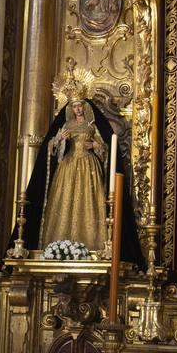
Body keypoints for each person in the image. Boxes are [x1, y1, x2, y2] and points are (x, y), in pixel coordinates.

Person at [39, 99, 109, 253]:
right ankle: (59, 248)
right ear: (71, 108)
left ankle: (92, 246)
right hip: (69, 165)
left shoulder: (91, 126)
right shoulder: (67, 125)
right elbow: (52, 145)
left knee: (89, 201)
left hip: (88, 166)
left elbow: (104, 146)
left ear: (85, 107)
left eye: (80, 106)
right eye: (75, 106)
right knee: (65, 201)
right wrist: (59, 139)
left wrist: (96, 146)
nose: (78, 109)